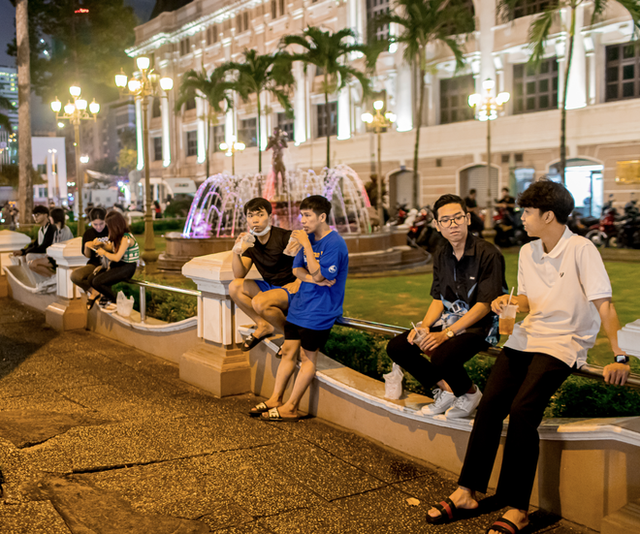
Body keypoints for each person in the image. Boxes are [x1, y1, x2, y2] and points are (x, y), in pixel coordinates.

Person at [426, 180, 631, 534]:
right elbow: (527, 302)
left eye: (527, 212)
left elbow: (605, 304)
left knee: (522, 411)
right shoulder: (527, 251)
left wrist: (619, 354)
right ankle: (466, 492)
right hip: (527, 336)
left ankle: (519, 508)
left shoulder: (582, 250)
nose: (521, 217)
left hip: (564, 341)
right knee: (490, 405)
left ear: (548, 215)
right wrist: (508, 303)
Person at [386, 194, 506, 419]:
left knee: (441, 355)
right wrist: (424, 326)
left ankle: (470, 394)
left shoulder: (488, 253)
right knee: (399, 346)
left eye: (458, 217)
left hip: (479, 326)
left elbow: (485, 304)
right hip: (449, 320)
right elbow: (438, 298)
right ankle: (448, 390)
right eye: (446, 220)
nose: (453, 224)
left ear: (468, 219)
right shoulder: (441, 254)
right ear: (437, 225)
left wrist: (447, 334)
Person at [253, 195, 349, 421]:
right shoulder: (306, 239)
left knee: (307, 360)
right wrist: (315, 279)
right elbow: (297, 271)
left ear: (322, 217)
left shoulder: (334, 243)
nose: (302, 220)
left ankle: (291, 407)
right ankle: (276, 398)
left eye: (307, 215)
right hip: (299, 307)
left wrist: (308, 252)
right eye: (301, 215)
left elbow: (321, 272)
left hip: (319, 312)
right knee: (287, 352)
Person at [230, 198, 300, 353]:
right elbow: (239, 274)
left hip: (289, 289)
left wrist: (299, 281)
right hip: (270, 287)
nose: (255, 220)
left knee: (259, 302)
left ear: (270, 216)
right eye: (250, 215)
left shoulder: (283, 237)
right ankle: (263, 325)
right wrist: (236, 251)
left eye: (260, 214)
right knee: (235, 287)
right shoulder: (251, 242)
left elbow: (307, 258)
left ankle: (290, 335)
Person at [86, 211, 139, 311]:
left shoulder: (126, 238)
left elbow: (117, 257)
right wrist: (102, 245)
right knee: (91, 279)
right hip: (119, 265)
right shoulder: (119, 237)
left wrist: (103, 253)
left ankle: (114, 300)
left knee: (97, 282)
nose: (108, 228)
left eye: (109, 226)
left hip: (127, 267)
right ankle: (106, 297)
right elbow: (112, 248)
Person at [71, 207, 110, 307]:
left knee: (97, 277)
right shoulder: (88, 233)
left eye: (101, 224)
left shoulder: (110, 230)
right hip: (94, 264)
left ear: (105, 220)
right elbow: (87, 256)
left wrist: (104, 245)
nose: (98, 227)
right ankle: (94, 291)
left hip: (110, 263)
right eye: (95, 224)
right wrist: (87, 246)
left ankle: (103, 295)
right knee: (75, 276)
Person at [27, 207, 74, 277]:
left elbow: (61, 247)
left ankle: (53, 278)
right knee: (31, 263)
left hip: (62, 258)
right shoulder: (56, 230)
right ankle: (51, 278)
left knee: (34, 263)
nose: (49, 218)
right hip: (55, 256)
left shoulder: (65, 230)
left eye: (50, 217)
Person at [12, 206, 55, 270]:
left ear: (45, 215)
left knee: (29, 256)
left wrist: (26, 252)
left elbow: (45, 247)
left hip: (52, 256)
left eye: (37, 215)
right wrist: (22, 251)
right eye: (34, 215)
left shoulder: (51, 229)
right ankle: (35, 279)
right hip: (44, 253)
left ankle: (48, 277)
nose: (35, 217)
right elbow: (35, 244)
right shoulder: (41, 229)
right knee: (23, 257)